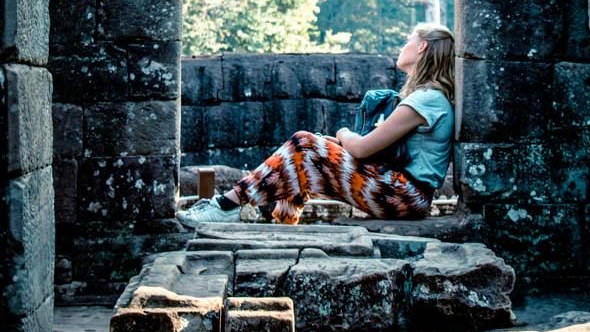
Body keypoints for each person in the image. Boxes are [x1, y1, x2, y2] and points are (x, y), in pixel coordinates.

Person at [176, 22, 455, 229]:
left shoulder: (427, 100)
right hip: (399, 192)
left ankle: (227, 205)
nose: (402, 46)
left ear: (422, 47)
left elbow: (361, 148)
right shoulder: (428, 98)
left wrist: (343, 135)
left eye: (408, 40)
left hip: (402, 195)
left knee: (305, 144)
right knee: (305, 154)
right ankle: (284, 226)